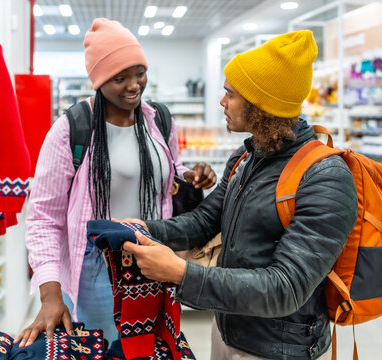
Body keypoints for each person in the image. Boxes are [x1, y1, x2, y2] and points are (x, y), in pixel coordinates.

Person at [122, 30, 358, 360]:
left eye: (230, 94)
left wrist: (180, 273)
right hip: (229, 329)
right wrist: (142, 229)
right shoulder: (246, 157)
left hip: (280, 348)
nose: (221, 102)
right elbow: (205, 221)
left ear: (261, 105)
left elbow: (285, 288)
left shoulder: (324, 178)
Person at [14, 18, 217, 353]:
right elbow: (43, 219)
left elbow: (168, 172)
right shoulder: (71, 130)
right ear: (99, 80)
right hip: (97, 267)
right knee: (107, 348)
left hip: (154, 256)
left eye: (139, 72)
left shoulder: (159, 120)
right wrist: (50, 294)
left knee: (152, 348)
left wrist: (189, 176)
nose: (133, 85)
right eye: (119, 78)